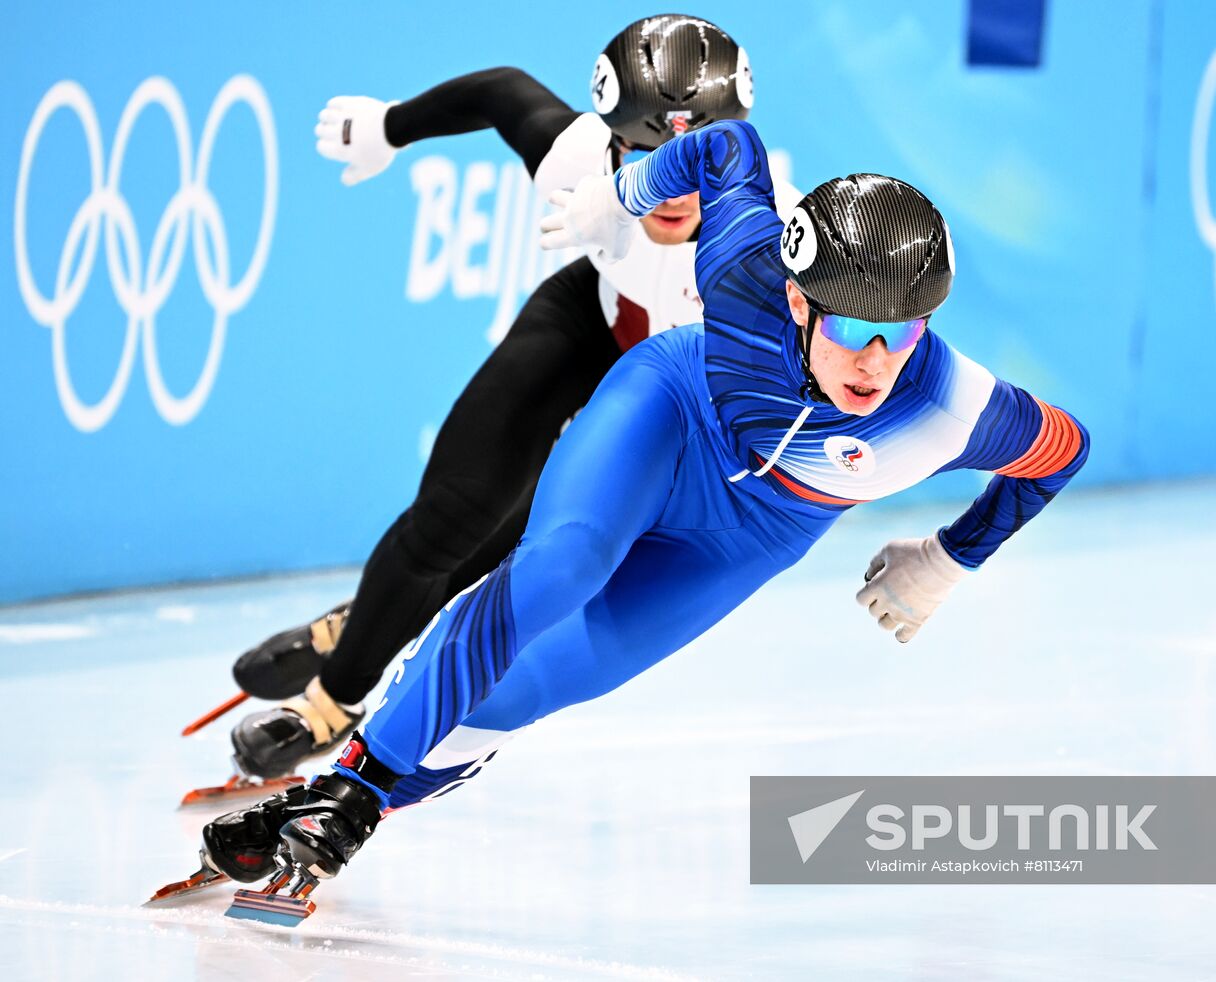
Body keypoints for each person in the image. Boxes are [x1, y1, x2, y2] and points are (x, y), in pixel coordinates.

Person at [198, 115, 1088, 901]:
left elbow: (1063, 450)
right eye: (854, 330)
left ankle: (330, 801)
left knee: (524, 694)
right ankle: (357, 790)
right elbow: (724, 144)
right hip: (669, 414)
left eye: (903, 334)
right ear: (795, 298)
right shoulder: (743, 263)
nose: (876, 362)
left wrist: (951, 557)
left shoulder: (949, 407)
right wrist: (619, 196)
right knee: (557, 573)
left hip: (757, 531)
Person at [220, 14, 798, 782]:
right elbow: (504, 94)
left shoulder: (780, 238)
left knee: (527, 549)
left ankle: (367, 625)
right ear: (609, 140)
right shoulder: (577, 165)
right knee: (455, 513)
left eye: (695, 162)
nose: (673, 187)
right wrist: (389, 129)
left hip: (679, 390)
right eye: (647, 157)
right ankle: (331, 701)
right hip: (596, 321)